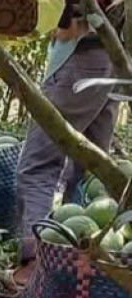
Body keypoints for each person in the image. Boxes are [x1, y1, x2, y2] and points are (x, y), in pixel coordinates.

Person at [15, 0, 123, 283]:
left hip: (81, 53)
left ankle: (33, 266)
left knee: (38, 165)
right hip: (115, 58)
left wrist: (65, 22)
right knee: (92, 168)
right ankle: (84, 262)